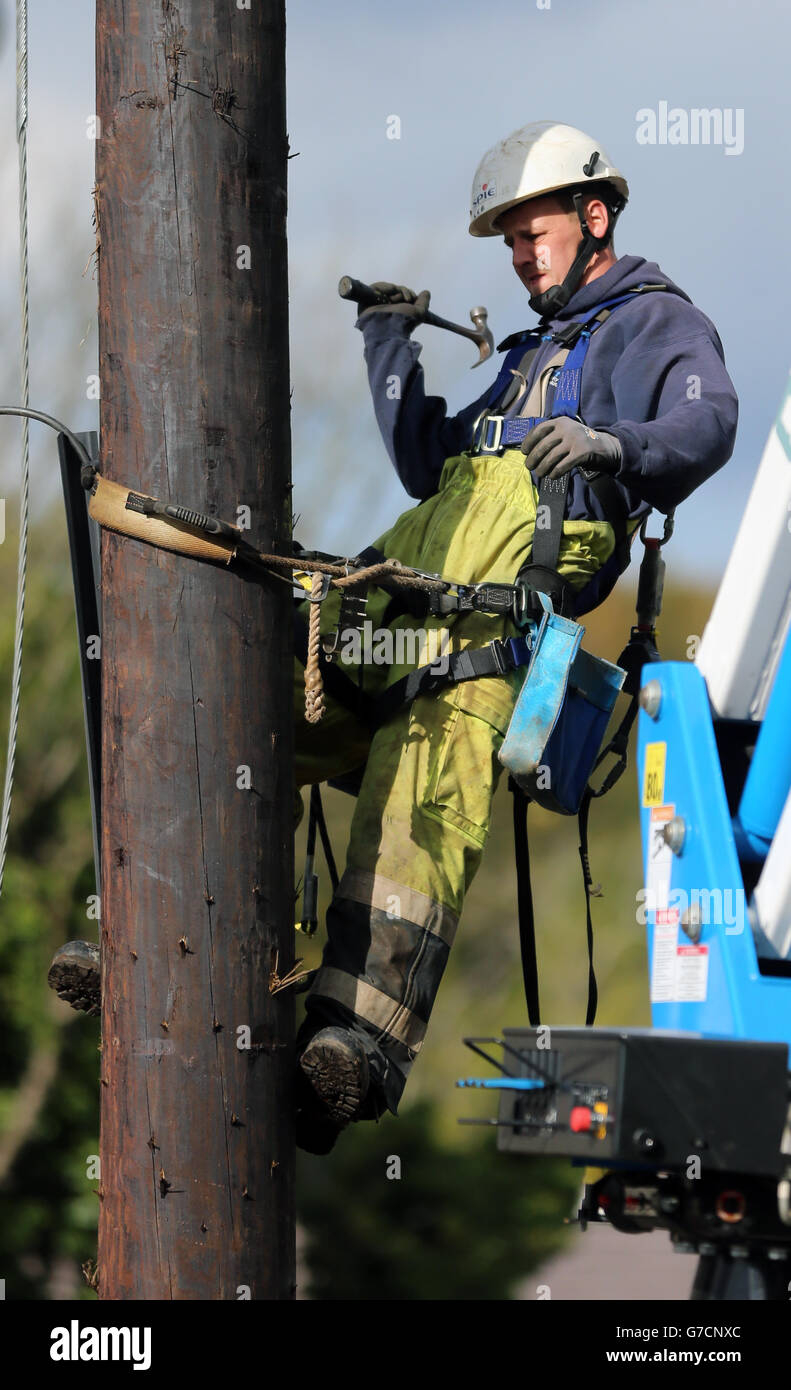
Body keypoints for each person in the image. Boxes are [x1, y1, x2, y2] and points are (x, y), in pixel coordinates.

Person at [49, 120, 739, 1156]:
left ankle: (347, 1052)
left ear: (593, 217)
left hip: (474, 650)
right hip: (394, 611)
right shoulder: (525, 359)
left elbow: (708, 422)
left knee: (414, 822)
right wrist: (387, 347)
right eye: (505, 239)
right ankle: (150, 944)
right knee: (235, 703)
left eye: (531, 230)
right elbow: (430, 468)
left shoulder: (652, 326)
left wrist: (613, 441)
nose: (517, 254)